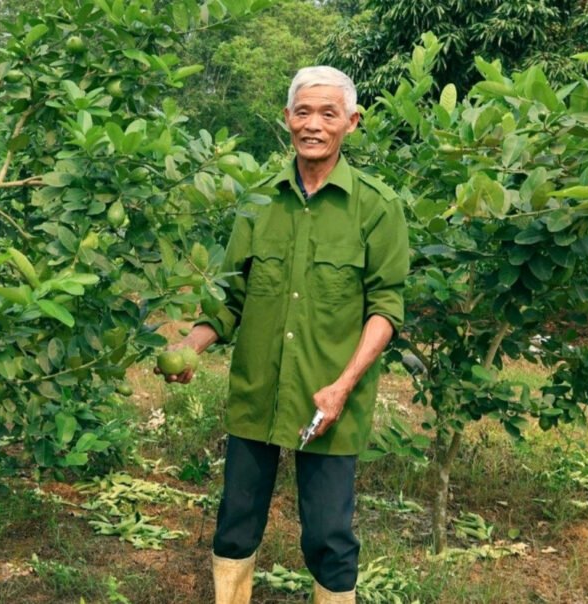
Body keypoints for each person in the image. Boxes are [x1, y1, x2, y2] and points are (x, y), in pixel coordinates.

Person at [157, 66, 409, 604]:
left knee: (328, 535)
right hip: (258, 393)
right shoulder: (258, 202)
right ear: (286, 119)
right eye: (303, 111)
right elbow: (230, 299)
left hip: (329, 402)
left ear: (352, 122)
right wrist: (189, 348)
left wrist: (342, 386)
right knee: (236, 522)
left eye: (328, 113)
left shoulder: (377, 207)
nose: (313, 124)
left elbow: (386, 308)